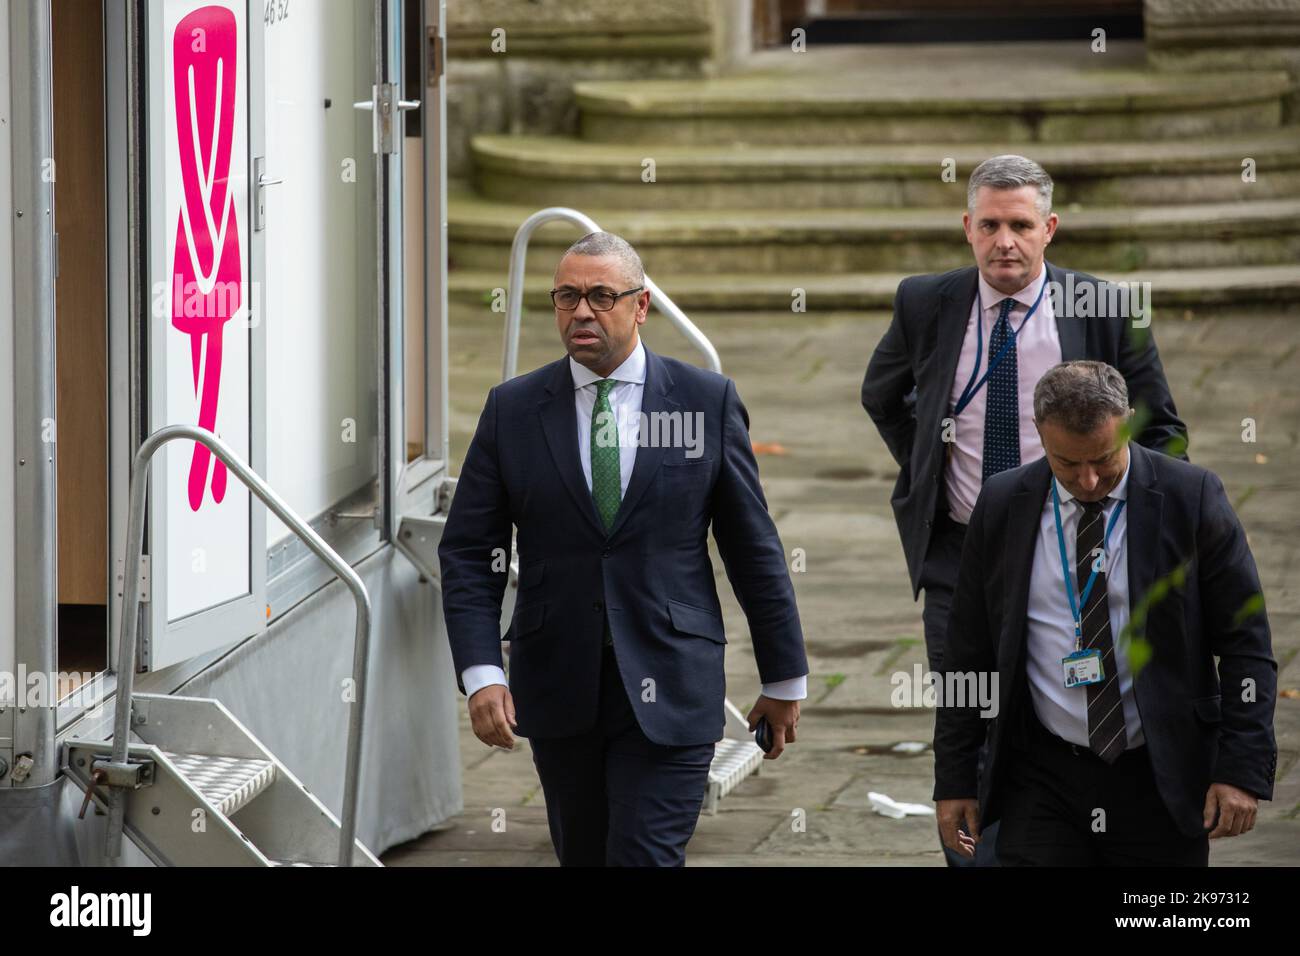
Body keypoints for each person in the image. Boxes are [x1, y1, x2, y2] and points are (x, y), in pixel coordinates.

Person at [438, 231, 809, 866]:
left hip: (673, 679)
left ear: (640, 306)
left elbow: (752, 547)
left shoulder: (704, 401)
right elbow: (470, 552)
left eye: (601, 296)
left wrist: (784, 675)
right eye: (566, 296)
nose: (581, 311)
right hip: (558, 686)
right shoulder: (513, 411)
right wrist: (481, 673)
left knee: (642, 856)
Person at [860, 154, 1187, 865]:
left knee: (1069, 710)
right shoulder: (926, 301)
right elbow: (883, 395)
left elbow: (1162, 429)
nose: (1004, 241)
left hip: (1081, 546)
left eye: (1020, 225)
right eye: (990, 225)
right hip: (961, 551)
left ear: (1050, 229)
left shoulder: (1103, 306)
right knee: (969, 715)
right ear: (967, 228)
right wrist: (930, 468)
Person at [934, 361, 1277, 866]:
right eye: (1067, 463)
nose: (1088, 479)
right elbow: (968, 650)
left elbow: (1245, 642)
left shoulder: (1191, 498)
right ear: (1039, 435)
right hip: (1042, 773)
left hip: (1157, 774)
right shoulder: (1004, 502)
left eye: (1103, 458)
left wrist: (1240, 768)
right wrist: (957, 776)